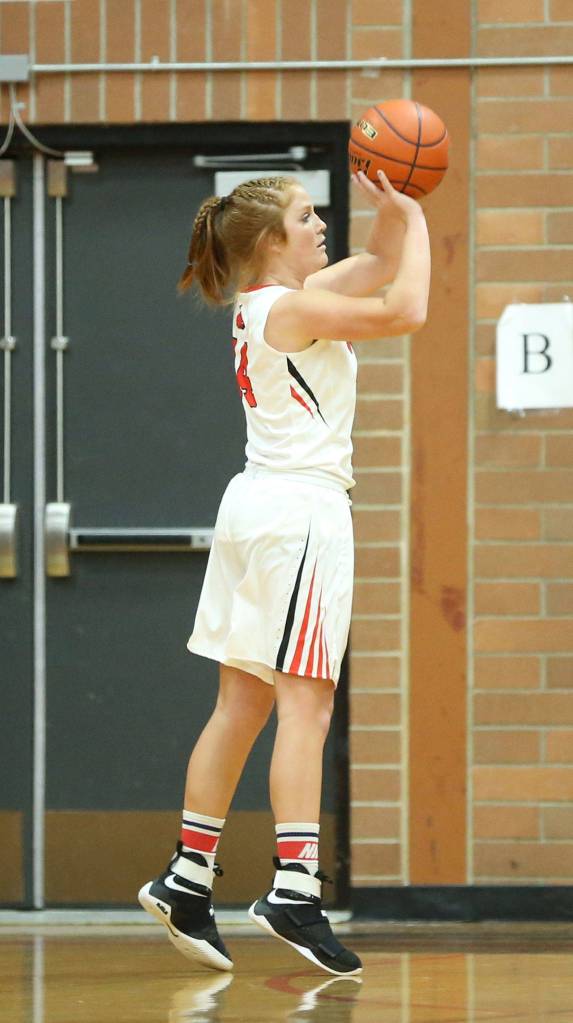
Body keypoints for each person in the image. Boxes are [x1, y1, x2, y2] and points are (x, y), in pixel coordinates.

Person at [139, 168, 431, 976]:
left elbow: (376, 263)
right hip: (299, 515)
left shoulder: (269, 303)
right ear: (272, 241)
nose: (321, 224)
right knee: (307, 701)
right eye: (307, 216)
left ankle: (186, 876)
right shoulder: (292, 306)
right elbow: (407, 307)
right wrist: (420, 218)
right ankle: (294, 888)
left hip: (255, 508)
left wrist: (395, 216)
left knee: (242, 702)